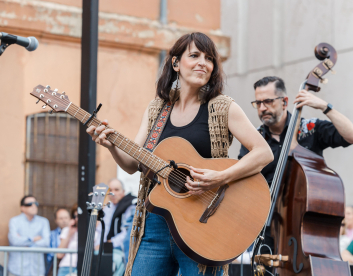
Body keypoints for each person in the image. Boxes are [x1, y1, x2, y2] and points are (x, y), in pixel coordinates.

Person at [87, 32, 273, 276]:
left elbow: (263, 153)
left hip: (203, 225)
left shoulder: (222, 107)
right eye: (194, 55)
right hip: (155, 225)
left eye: (209, 58)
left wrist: (220, 177)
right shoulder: (157, 109)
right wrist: (111, 145)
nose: (202, 63)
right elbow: (133, 164)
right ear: (175, 63)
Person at [238, 76, 353, 257]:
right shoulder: (253, 139)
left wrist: (325, 107)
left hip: (305, 227)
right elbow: (244, 181)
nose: (262, 108)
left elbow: (352, 136)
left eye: (268, 101)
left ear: (285, 101)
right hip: (267, 223)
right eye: (258, 103)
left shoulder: (310, 128)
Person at [96, 179, 136, 276]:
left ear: (123, 192)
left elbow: (128, 232)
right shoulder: (108, 208)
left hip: (121, 251)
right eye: (110, 190)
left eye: (116, 190)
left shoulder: (130, 206)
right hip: (105, 250)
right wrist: (98, 244)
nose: (113, 193)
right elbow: (100, 230)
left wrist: (109, 243)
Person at [8, 195, 50, 276]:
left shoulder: (43, 221)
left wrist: (24, 242)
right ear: (22, 208)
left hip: (37, 269)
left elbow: (46, 242)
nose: (34, 206)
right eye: (30, 204)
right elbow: (14, 241)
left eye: (36, 203)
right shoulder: (14, 221)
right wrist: (33, 239)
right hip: (17, 269)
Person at [56, 204, 99, 276]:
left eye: (79, 216)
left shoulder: (94, 233)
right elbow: (59, 254)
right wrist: (70, 234)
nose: (77, 219)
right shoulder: (67, 230)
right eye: (75, 216)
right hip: (67, 267)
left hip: (85, 267)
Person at [46, 209, 70, 275]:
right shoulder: (51, 235)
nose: (64, 220)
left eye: (66, 218)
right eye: (61, 218)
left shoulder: (75, 233)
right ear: (56, 220)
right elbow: (51, 255)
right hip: (55, 267)